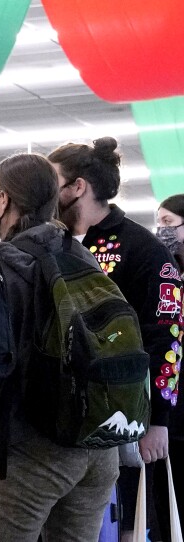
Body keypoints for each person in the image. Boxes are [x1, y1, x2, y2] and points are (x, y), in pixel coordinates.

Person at [0, 153, 119, 541]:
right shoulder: (82, 255)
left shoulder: (7, 265)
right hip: (99, 446)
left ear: (2, 200)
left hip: (35, 447)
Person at [48, 138, 183, 542]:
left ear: (78, 187)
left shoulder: (143, 249)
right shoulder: (48, 242)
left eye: (52, 180)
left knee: (130, 525)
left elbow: (169, 337)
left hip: (123, 419)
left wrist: (160, 419)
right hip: (58, 422)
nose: (46, 190)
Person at [153, 193, 184, 537]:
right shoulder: (163, 273)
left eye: (168, 223)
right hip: (170, 410)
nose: (161, 230)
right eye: (158, 221)